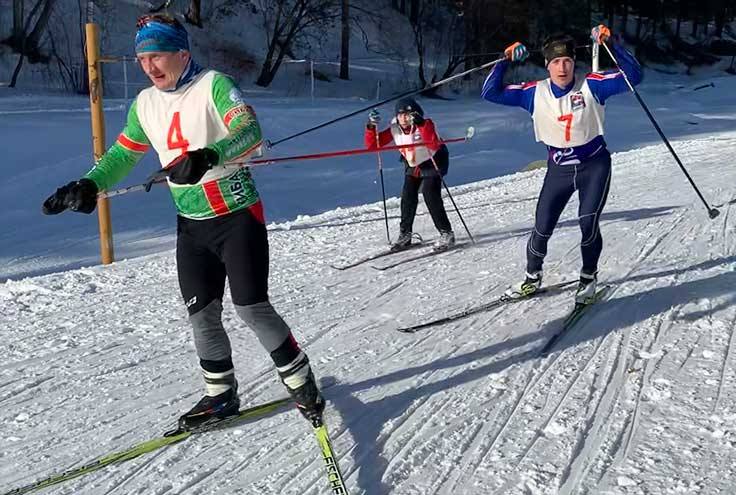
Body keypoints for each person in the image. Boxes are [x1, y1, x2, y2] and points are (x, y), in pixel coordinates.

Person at [41, 13, 324, 429]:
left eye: (157, 56)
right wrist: (89, 184)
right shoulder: (146, 103)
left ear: (182, 53)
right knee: (201, 312)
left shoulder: (214, 85)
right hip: (192, 224)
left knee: (251, 308)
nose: (149, 67)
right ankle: (219, 395)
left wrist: (209, 155)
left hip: (236, 215)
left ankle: (301, 383)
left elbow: (249, 130)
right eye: (142, 59)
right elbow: (123, 154)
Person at [481, 26, 641, 306]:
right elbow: (490, 93)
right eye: (555, 62)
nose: (562, 67)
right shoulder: (534, 92)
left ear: (573, 63)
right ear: (547, 65)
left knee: (587, 222)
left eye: (567, 60)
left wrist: (611, 43)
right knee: (542, 227)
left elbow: (634, 76)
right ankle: (532, 277)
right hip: (559, 170)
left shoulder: (592, 85)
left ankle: (588, 278)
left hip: (594, 166)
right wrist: (504, 59)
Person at [365, 97, 455, 252]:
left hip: (433, 160)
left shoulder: (426, 124)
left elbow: (432, 143)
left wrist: (421, 124)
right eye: (400, 115)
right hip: (413, 164)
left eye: (407, 114)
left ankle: (446, 233)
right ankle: (405, 234)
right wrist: (371, 126)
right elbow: (373, 145)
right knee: (407, 197)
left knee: (430, 195)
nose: (403, 118)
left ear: (415, 114)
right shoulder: (395, 128)